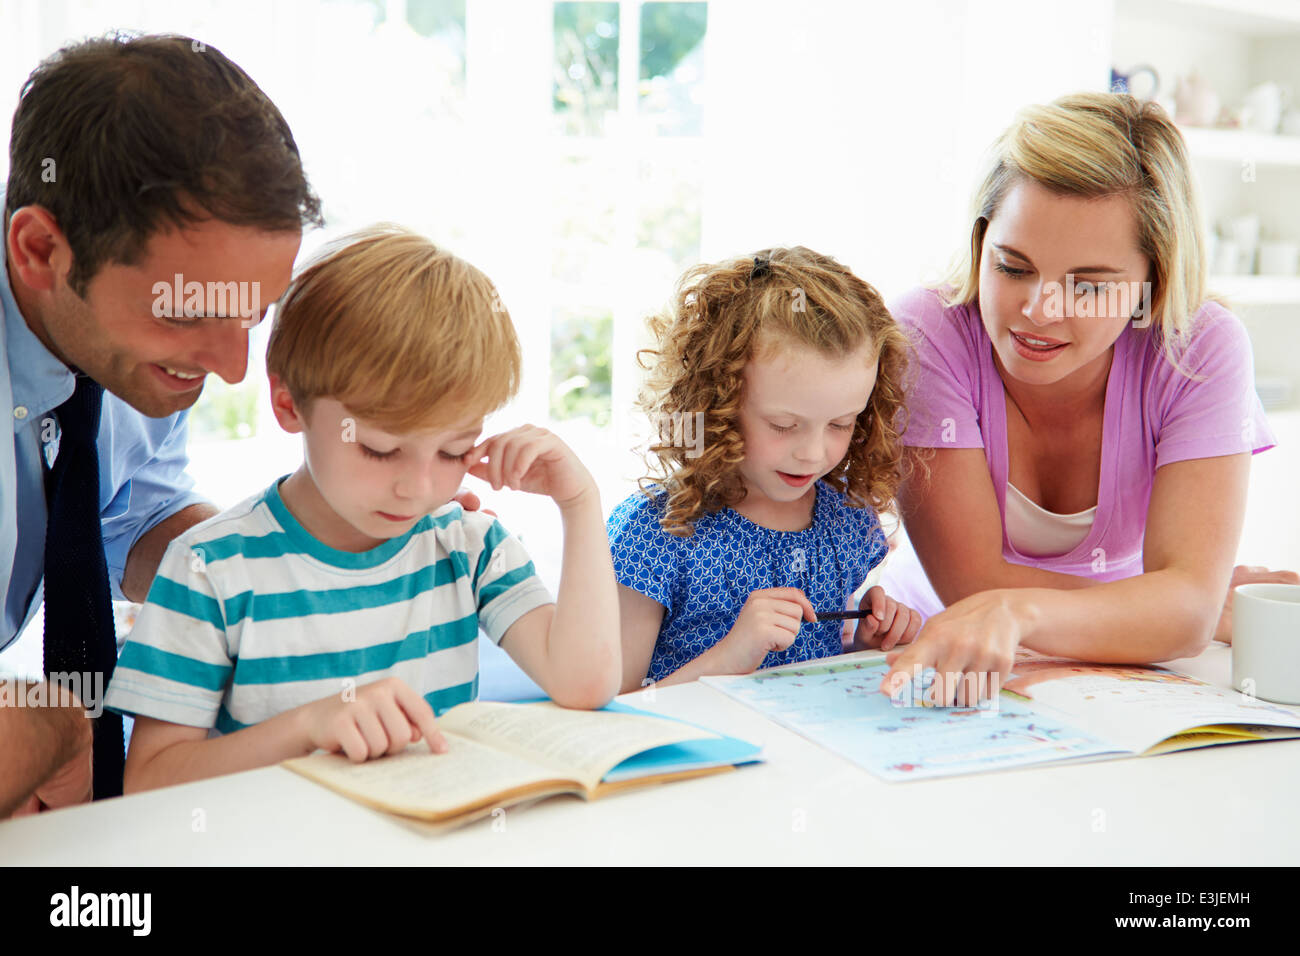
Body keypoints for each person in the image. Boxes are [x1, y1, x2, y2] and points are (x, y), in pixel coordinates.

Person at [104, 226, 622, 790]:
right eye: (379, 449)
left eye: (454, 451)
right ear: (287, 403)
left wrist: (579, 502)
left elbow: (585, 685)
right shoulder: (209, 566)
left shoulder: (467, 544)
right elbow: (150, 782)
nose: (418, 489)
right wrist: (308, 726)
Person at [879, 92, 1298, 707]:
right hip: (928, 657)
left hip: (1111, 677)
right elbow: (971, 589)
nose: (1039, 311)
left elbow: (1182, 616)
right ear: (979, 245)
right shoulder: (930, 331)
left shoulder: (1198, 348)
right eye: (1013, 268)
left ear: (1150, 283)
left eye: (1089, 285)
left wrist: (1179, 610)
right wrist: (1154, 610)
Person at [0, 33, 321, 816]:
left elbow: (133, 518)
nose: (231, 364)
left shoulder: (123, 356)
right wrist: (58, 728)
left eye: (253, 313)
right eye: (192, 314)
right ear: (41, 250)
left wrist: (300, 565)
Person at [608, 246, 920, 693]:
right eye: (783, 425)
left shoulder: (845, 521)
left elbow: (812, 670)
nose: (813, 453)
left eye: (840, 424)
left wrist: (867, 647)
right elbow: (615, 709)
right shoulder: (655, 533)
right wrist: (731, 656)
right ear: (716, 403)